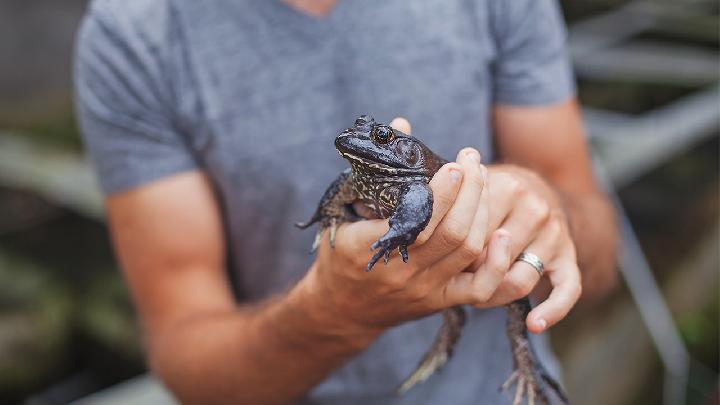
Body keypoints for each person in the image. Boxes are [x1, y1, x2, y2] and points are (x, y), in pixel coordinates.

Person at [74, 0, 618, 403]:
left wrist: (551, 211)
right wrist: (332, 311)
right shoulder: (134, 35)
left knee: (515, 308)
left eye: (377, 139)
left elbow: (600, 259)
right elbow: (186, 361)